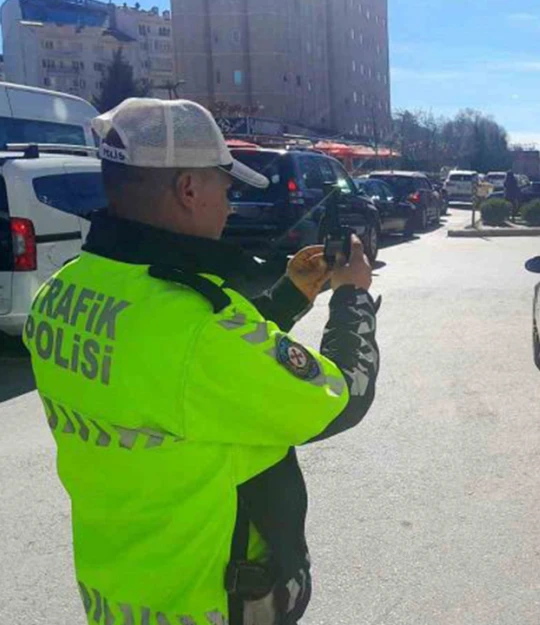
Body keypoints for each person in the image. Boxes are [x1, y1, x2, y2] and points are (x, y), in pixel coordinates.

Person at [22, 98, 381, 625]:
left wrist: (289, 297)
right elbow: (340, 399)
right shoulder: (198, 325)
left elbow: (179, 375)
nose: (229, 205)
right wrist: (352, 297)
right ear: (189, 189)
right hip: (212, 600)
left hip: (115, 592)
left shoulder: (62, 291)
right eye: (226, 187)